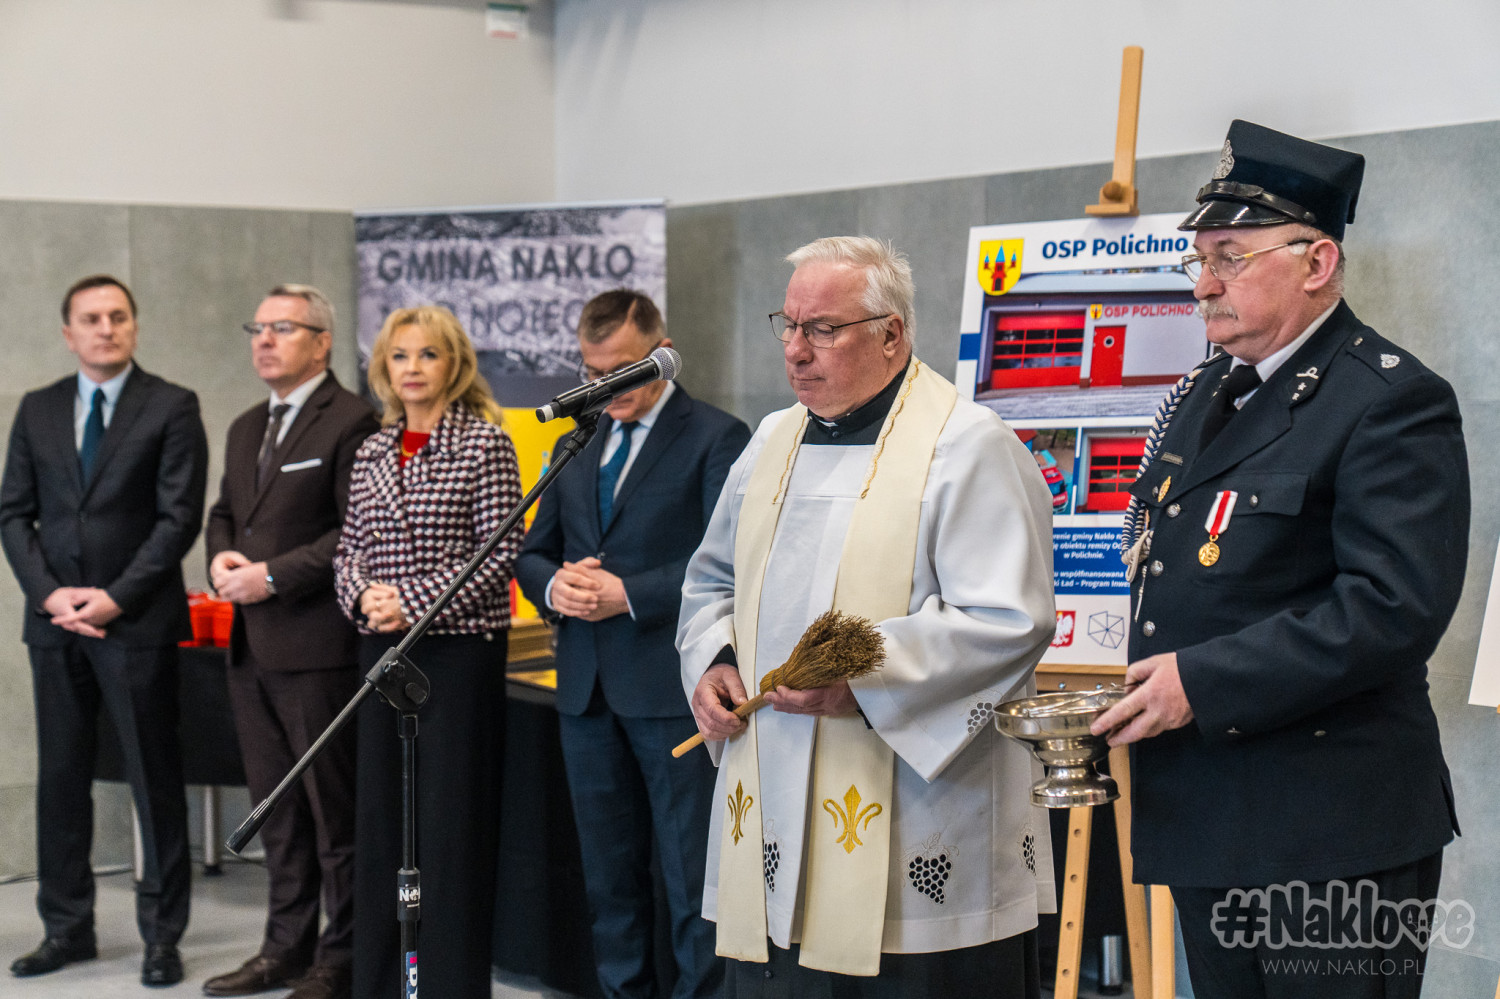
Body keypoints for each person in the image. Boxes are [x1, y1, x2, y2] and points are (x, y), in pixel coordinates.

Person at [1092, 120, 1468, 999]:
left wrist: (1200, 682)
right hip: (1209, 815)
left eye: (1230, 255)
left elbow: (1391, 608)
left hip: (1331, 831)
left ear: (1317, 262)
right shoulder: (1205, 394)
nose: (1203, 284)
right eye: (1200, 259)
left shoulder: (1390, 399)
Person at [679, 237, 1057, 997]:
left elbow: (1010, 617)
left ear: (892, 333)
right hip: (775, 800)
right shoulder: (770, 443)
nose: (795, 350)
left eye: (822, 329)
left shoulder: (966, 446)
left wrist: (865, 679)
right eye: (786, 325)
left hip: (916, 813)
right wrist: (715, 659)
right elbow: (712, 579)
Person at [515, 290, 749, 999]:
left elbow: (729, 559)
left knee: (688, 880)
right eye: (592, 371)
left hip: (671, 690)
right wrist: (557, 587)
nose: (604, 386)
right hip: (585, 690)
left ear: (659, 350)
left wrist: (629, 593)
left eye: (620, 369)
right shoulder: (574, 441)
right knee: (608, 879)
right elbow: (532, 551)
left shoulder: (718, 435)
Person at [0, 274, 208, 988]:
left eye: (119, 315)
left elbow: (177, 518)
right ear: (68, 333)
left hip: (137, 623)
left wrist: (114, 598)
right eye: (91, 318)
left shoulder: (172, 406)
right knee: (61, 781)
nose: (106, 327)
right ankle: (66, 928)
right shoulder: (38, 408)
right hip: (56, 625)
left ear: (135, 326)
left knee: (154, 780)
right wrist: (52, 594)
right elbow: (12, 514)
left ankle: (161, 935)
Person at [333, 304, 523, 999]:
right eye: (399, 355)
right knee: (385, 823)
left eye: (427, 355)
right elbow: (347, 548)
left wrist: (408, 600)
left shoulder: (485, 444)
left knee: (447, 829)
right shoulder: (371, 450)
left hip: (455, 657)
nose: (412, 368)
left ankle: (445, 985)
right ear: (384, 369)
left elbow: (499, 552)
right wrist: (363, 598)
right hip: (379, 656)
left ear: (454, 365)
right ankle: (382, 985)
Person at [202, 284, 379, 999]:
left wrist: (272, 575)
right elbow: (224, 514)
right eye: (258, 327)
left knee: (333, 816)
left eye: (283, 328)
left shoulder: (353, 418)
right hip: (252, 651)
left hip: (320, 649)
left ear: (322, 341)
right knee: (277, 815)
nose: (264, 340)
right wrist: (220, 560)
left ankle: (340, 958)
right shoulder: (247, 423)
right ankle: (283, 947)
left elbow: (354, 529)